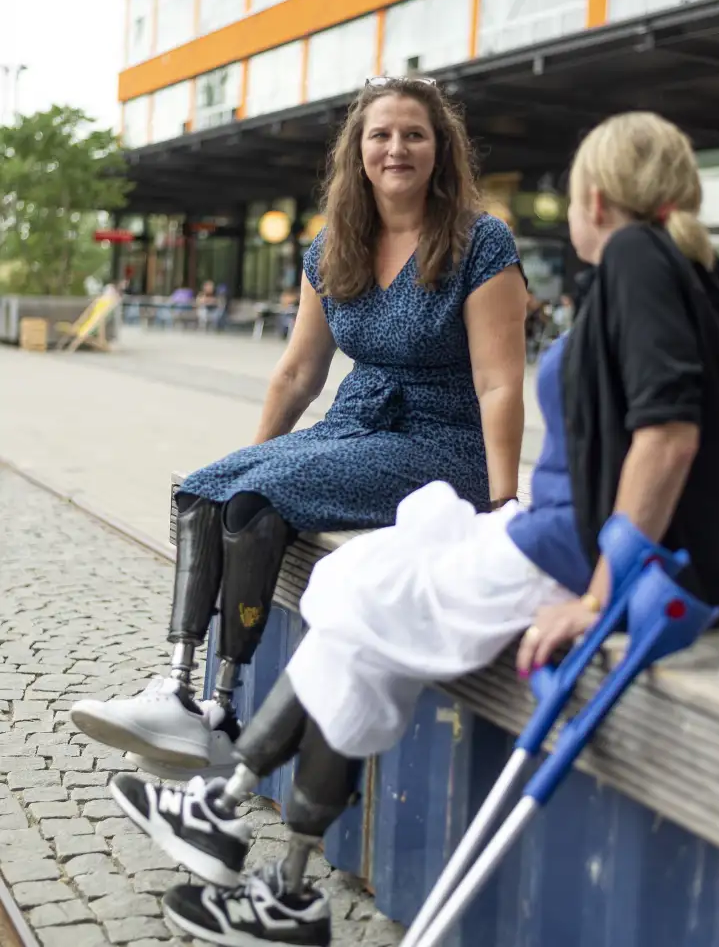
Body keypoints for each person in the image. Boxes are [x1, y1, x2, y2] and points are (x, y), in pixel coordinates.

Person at [109, 110, 719, 947]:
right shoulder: (692, 269)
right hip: (577, 535)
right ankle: (257, 849)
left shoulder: (636, 256)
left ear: (596, 201)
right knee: (359, 590)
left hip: (577, 552)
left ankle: (238, 823)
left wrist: (601, 594)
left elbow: (669, 436)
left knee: (362, 590)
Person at [70, 75, 528, 782]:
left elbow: (499, 382)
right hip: (355, 425)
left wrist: (502, 503)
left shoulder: (480, 242)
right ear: (358, 150)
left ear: (441, 149)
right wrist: (254, 458)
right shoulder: (335, 245)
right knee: (207, 489)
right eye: (381, 134)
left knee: (259, 498)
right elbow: (297, 373)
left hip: (442, 441)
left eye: (414, 134)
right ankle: (178, 688)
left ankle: (220, 714)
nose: (397, 148)